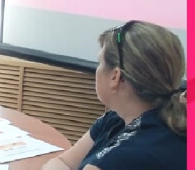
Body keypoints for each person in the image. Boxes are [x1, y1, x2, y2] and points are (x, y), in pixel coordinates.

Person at [42, 21, 186, 170]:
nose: (97, 69)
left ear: (115, 77)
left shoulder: (124, 156)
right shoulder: (118, 119)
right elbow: (63, 162)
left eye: (100, 62)